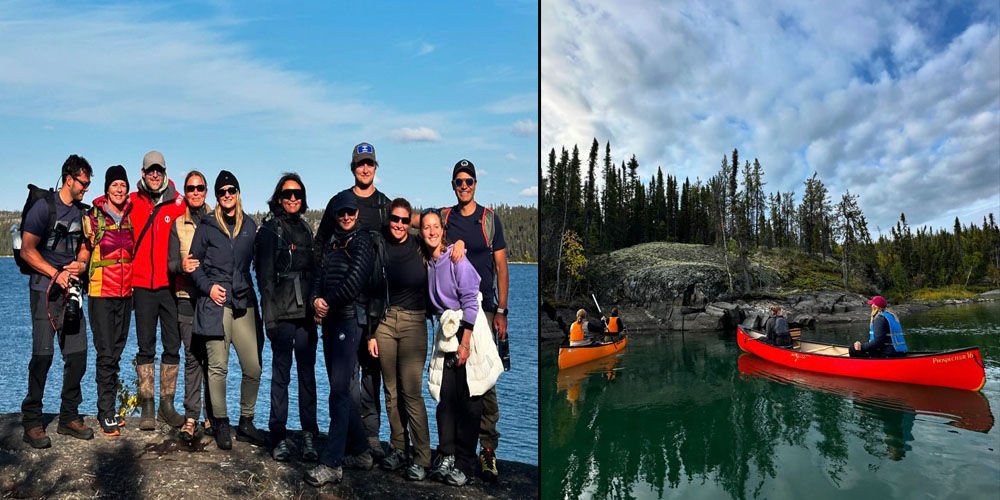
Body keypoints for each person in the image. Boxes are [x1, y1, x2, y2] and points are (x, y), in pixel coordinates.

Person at [313, 142, 392, 459]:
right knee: (345, 377)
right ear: (353, 167)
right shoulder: (339, 202)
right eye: (360, 164)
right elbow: (321, 250)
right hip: (342, 307)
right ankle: (350, 437)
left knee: (372, 372)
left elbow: (397, 244)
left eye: (370, 163)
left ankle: (370, 437)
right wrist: (317, 296)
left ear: (375, 167)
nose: (365, 168)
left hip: (373, 304)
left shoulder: (384, 206)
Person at [438, 159, 509, 482]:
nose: (464, 186)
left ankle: (488, 451)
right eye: (458, 182)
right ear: (453, 185)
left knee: (485, 381)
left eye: (468, 181)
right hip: (453, 312)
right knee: (451, 381)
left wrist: (502, 312)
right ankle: (452, 449)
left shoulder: (489, 220)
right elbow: (418, 225)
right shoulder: (445, 217)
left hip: (485, 310)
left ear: (476, 184)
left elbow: (502, 267)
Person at [421, 208, 503, 487]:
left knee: (470, 399)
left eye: (435, 227)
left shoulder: (456, 260)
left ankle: (466, 463)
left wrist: (465, 343)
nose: (431, 232)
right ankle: (446, 454)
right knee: (446, 399)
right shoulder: (429, 262)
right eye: (425, 228)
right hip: (446, 333)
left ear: (443, 230)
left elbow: (471, 300)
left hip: (467, 330)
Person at [19, 154, 95, 448]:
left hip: (71, 291)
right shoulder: (44, 207)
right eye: (83, 183)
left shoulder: (82, 213)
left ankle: (69, 417)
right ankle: (32, 421)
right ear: (69, 179)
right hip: (44, 290)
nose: (86, 188)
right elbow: (27, 250)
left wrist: (81, 264)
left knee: (78, 354)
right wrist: (56, 273)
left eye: (88, 183)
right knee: (43, 355)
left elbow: (86, 247)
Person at [188, 171, 267, 450]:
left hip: (244, 302)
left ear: (238, 192)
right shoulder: (207, 226)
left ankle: (246, 422)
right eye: (221, 192)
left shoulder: (250, 226)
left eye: (231, 190)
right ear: (217, 197)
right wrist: (208, 288)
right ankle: (221, 423)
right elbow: (193, 264)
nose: (227, 195)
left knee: (253, 367)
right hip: (216, 303)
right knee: (218, 367)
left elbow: (262, 263)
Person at [305, 191, 377, 487]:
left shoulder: (362, 242)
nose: (346, 217)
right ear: (335, 215)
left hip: (349, 320)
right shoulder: (333, 242)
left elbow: (355, 280)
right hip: (331, 322)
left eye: (350, 212)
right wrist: (314, 301)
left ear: (357, 214)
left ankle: (332, 462)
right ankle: (361, 452)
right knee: (342, 387)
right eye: (341, 213)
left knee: (339, 390)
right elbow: (318, 277)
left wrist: (327, 302)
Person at [254, 173, 319, 462]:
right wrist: (269, 320)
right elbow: (264, 278)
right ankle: (278, 434)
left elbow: (315, 273)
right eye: (287, 194)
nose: (293, 199)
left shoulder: (305, 229)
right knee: (281, 377)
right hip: (281, 315)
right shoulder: (269, 230)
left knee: (307, 377)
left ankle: (308, 434)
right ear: (279, 198)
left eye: (297, 194)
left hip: (306, 315)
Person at [367, 198, 432, 480]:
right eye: (395, 219)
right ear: (388, 219)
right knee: (391, 391)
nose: (400, 225)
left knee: (411, 393)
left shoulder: (420, 246)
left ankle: (422, 456)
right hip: (384, 321)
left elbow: (440, 230)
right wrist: (370, 332)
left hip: (414, 322)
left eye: (405, 221)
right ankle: (398, 448)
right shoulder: (378, 244)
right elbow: (368, 288)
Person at [129, 150, 187, 430]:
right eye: (150, 170)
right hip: (141, 285)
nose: (155, 175)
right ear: (142, 173)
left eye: (159, 171)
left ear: (165, 172)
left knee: (172, 345)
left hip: (169, 286)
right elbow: (105, 204)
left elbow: (203, 217)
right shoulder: (132, 201)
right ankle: (148, 406)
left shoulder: (177, 203)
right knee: (145, 347)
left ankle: (167, 405)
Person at [82, 165, 134, 436]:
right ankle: (106, 412)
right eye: (115, 184)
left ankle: (110, 409)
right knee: (105, 354)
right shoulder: (93, 217)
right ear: (107, 188)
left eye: (123, 185)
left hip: (125, 295)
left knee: (116, 352)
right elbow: (83, 252)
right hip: (102, 293)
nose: (119, 189)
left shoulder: (130, 216)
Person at [168, 170, 214, 441]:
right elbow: (169, 263)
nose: (195, 192)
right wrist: (181, 266)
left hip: (211, 300)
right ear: (185, 192)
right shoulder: (177, 224)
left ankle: (212, 415)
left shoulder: (216, 220)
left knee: (214, 360)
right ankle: (190, 417)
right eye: (190, 188)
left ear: (206, 191)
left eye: (200, 188)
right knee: (192, 358)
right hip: (186, 298)